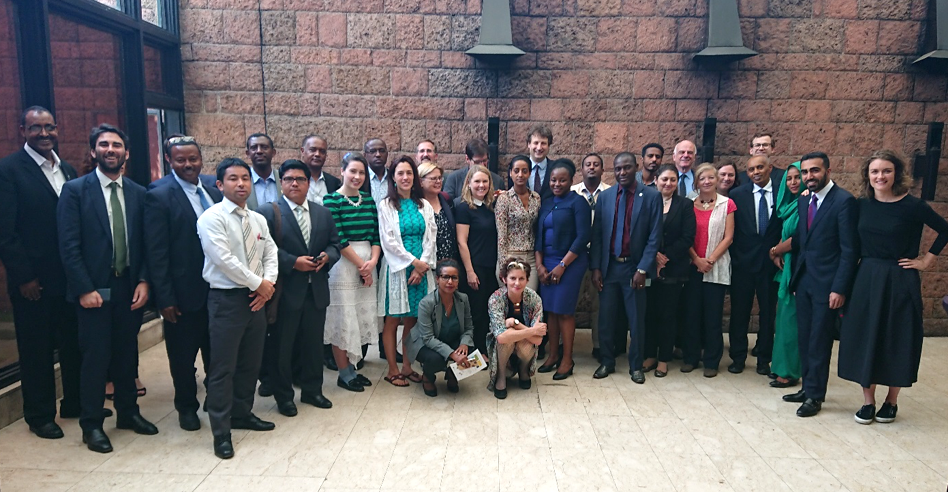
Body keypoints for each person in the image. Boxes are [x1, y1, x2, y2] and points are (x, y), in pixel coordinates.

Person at [58, 124, 156, 453]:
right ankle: (92, 425)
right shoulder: (75, 191)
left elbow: (144, 244)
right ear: (93, 152)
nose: (110, 149)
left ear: (126, 153)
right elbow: (68, 246)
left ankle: (128, 413)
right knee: (96, 359)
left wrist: (144, 280)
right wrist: (84, 288)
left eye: (116, 145)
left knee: (128, 354)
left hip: (129, 286)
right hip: (94, 290)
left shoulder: (139, 193)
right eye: (104, 145)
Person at [837, 150, 948, 424]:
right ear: (868, 175)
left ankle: (891, 400)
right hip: (867, 276)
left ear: (896, 173)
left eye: (886, 170)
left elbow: (945, 229)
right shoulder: (861, 205)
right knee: (865, 335)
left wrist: (926, 261)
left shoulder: (913, 206)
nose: (880, 176)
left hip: (900, 277)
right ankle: (867, 401)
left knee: (897, 336)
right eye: (875, 171)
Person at [0, 106, 82, 439]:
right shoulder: (9, 170)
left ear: (58, 129)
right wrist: (23, 277)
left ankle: (75, 403)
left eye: (49, 127)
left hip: (69, 277)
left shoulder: (69, 168)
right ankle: (39, 414)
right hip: (34, 280)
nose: (44, 133)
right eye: (36, 128)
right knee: (36, 349)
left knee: (73, 342)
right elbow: (6, 231)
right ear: (23, 130)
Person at [197, 157, 279, 459]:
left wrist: (267, 284)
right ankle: (221, 430)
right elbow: (224, 260)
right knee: (223, 368)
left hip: (257, 299)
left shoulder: (257, 219)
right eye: (233, 178)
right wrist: (258, 284)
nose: (241, 183)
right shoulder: (211, 218)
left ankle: (242, 413)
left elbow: (270, 251)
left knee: (250, 363)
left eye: (245, 178)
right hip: (227, 300)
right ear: (220, 184)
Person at [144, 135, 221, 431]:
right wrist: (164, 298)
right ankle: (186, 407)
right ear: (169, 160)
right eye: (180, 160)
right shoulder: (159, 194)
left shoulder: (215, 186)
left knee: (217, 354)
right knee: (182, 357)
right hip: (182, 294)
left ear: (201, 159)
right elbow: (157, 251)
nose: (188, 164)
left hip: (218, 291)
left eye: (193, 158)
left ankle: (216, 402)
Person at [258, 159, 340, 416]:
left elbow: (335, 245)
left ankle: (312, 390)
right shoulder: (268, 212)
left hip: (316, 291)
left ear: (308, 183)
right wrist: (293, 262)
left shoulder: (322, 212)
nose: (295, 183)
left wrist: (327, 256)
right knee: (283, 347)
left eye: (300, 179)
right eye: (289, 179)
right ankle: (284, 397)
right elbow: (263, 251)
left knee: (313, 344)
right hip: (285, 293)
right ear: (281, 183)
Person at [782, 151, 857, 418]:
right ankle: (807, 386)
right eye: (805, 172)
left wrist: (839, 288)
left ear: (827, 170)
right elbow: (803, 240)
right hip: (804, 281)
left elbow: (849, 250)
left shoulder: (844, 202)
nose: (808, 177)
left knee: (819, 340)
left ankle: (815, 395)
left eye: (814, 171)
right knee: (805, 336)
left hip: (828, 285)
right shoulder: (805, 201)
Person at [590, 151, 663, 384]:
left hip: (634, 268)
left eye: (627, 168)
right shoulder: (606, 197)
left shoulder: (651, 196)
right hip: (610, 267)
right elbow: (598, 235)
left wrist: (643, 269)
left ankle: (635, 366)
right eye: (618, 169)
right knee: (607, 319)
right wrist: (596, 268)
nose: (622, 172)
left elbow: (655, 237)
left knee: (636, 320)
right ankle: (607, 361)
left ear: (636, 167)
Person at [323, 152, 381, 392]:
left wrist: (373, 262)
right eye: (353, 171)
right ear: (342, 172)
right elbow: (339, 238)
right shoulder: (331, 200)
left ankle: (354, 368)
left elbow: (376, 235)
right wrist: (361, 265)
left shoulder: (368, 200)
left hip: (369, 261)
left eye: (361, 172)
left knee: (359, 315)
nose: (357, 176)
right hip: (344, 265)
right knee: (343, 317)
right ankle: (344, 372)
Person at [377, 156, 437, 386]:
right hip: (397, 270)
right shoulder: (386, 205)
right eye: (400, 173)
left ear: (415, 177)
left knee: (412, 320)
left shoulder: (424, 204)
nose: (405, 177)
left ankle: (408, 366)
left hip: (420, 271)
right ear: (393, 177)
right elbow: (389, 241)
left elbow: (430, 237)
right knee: (393, 320)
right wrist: (414, 263)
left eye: (409, 173)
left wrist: (422, 267)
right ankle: (393, 369)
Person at [534, 159, 590, 380]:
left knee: (564, 311)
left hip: (570, 263)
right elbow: (538, 236)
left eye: (562, 180)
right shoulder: (546, 202)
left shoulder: (578, 202)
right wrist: (539, 265)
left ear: (571, 180)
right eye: (553, 180)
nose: (557, 184)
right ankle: (553, 355)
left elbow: (583, 236)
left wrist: (562, 265)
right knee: (550, 311)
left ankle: (567, 359)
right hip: (547, 262)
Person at [727, 155, 782, 376]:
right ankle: (738, 358)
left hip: (771, 264)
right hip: (743, 265)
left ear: (770, 167)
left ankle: (764, 360)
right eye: (751, 169)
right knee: (739, 313)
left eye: (760, 167)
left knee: (768, 314)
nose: (756, 172)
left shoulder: (782, 193)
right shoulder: (737, 195)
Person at [642, 165, 696, 377]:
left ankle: (664, 358)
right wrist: (653, 255)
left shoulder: (685, 205)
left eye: (673, 180)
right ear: (656, 180)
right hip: (648, 267)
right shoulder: (647, 202)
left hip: (673, 269)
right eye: (664, 179)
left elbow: (687, 236)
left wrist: (665, 257)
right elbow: (640, 232)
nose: (668, 183)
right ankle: (649, 355)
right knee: (649, 314)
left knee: (668, 315)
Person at [682, 163, 735, 378]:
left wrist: (710, 260)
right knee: (691, 314)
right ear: (696, 182)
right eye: (702, 178)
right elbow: (684, 235)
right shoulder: (688, 205)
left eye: (711, 178)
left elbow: (729, 237)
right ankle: (691, 358)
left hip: (716, 267)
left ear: (717, 180)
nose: (706, 181)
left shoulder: (727, 204)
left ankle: (712, 361)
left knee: (713, 317)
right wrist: (696, 259)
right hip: (692, 266)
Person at [406, 259, 475, 397]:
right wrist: (452, 354)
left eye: (454, 278)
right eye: (445, 277)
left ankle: (453, 374)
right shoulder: (426, 303)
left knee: (473, 351)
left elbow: (469, 327)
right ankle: (428, 377)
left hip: (449, 337)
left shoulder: (463, 299)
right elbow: (428, 338)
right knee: (436, 359)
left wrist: (464, 343)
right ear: (437, 279)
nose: (450, 282)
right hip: (424, 343)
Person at [487, 258, 547, 398]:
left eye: (521, 278)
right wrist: (532, 331)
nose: (517, 283)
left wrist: (515, 324)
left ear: (527, 280)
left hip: (524, 343)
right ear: (504, 279)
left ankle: (523, 369)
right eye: (512, 278)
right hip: (502, 345)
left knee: (523, 342)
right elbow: (501, 337)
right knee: (507, 338)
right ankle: (501, 376)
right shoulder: (495, 299)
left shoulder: (534, 299)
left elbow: (538, 341)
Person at [455, 165, 499, 358]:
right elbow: (461, 242)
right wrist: (470, 271)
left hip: (492, 267)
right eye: (477, 181)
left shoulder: (491, 206)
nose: (481, 185)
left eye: (485, 181)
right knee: (476, 312)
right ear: (469, 183)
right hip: (475, 267)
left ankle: (485, 348)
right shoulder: (464, 207)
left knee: (488, 311)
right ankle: (475, 352)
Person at [572, 153, 611, 361]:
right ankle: (562, 344)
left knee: (599, 303)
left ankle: (598, 345)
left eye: (596, 165)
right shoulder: (572, 193)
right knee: (571, 301)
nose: (592, 168)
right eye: (588, 164)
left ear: (603, 170)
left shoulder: (611, 194)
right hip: (576, 255)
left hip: (600, 255)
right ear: (582, 169)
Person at [768, 162, 803, 389]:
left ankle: (790, 372)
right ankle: (780, 366)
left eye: (797, 177)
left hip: (800, 269)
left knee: (792, 324)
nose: (793, 182)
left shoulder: (808, 205)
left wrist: (774, 251)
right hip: (786, 268)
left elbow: (799, 237)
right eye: (789, 179)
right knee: (782, 322)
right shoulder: (790, 206)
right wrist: (776, 253)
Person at [495, 155, 541, 291]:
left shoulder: (536, 198)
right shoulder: (504, 199)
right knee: (512, 301)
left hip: (531, 257)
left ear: (530, 173)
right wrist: (504, 265)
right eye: (516, 171)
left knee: (530, 299)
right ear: (510, 173)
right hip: (511, 255)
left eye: (524, 171)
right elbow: (501, 234)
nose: (520, 175)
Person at [418, 160, 458, 262]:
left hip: (448, 262)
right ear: (421, 182)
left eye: (440, 178)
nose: (438, 181)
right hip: (426, 263)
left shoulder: (446, 200)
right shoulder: (416, 205)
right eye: (433, 179)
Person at [300, 134, 341, 205]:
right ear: (303, 151)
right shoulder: (294, 180)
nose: (317, 154)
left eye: (322, 151)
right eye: (312, 150)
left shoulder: (334, 183)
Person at [245, 133, 281, 209]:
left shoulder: (283, 178)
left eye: (264, 147)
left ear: (273, 152)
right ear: (248, 153)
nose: (259, 151)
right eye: (254, 148)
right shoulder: (242, 181)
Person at [526, 126, 554, 200]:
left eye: (543, 143)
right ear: (529, 144)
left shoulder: (555, 168)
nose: (539, 148)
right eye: (536, 143)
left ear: (549, 146)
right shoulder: (518, 169)